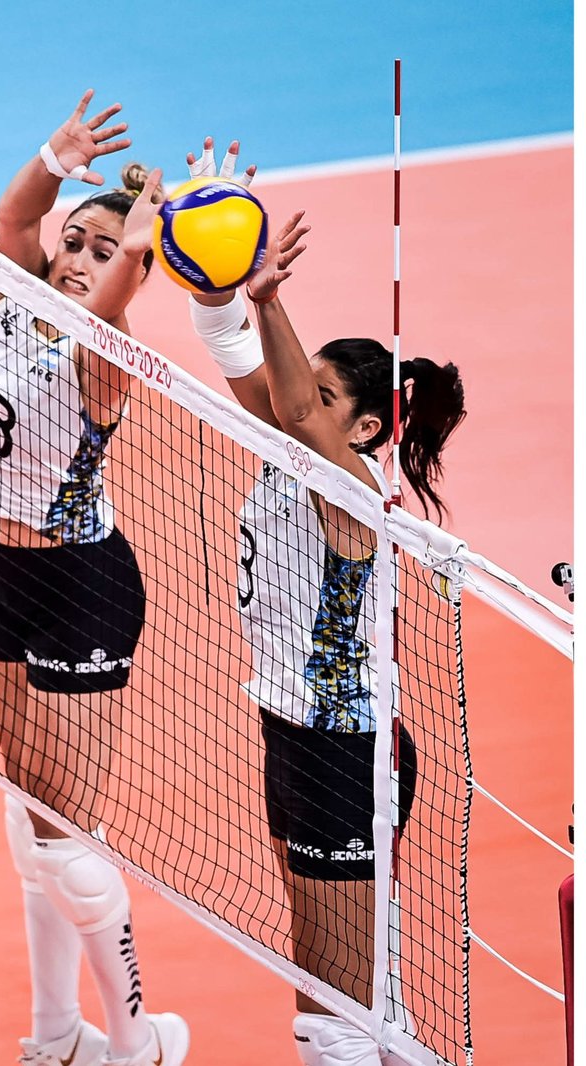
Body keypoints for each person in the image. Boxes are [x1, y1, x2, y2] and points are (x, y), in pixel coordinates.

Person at [0, 91, 187, 1066]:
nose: (74, 258)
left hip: (80, 591)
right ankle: (54, 1032)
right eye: (74, 243)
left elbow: (114, 302)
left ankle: (133, 1042)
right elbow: (14, 221)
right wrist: (54, 157)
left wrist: (144, 224)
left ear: (133, 270)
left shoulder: (105, 355)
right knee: (30, 814)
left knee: (68, 831)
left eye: (100, 252)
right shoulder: (19, 289)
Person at [183, 138, 464, 1065]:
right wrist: (220, 265)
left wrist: (272, 300)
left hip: (349, 751)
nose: (304, 400)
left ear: (368, 425)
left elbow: (298, 411)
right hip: (294, 735)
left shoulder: (349, 485)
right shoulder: (297, 449)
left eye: (329, 393)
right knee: (360, 992)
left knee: (329, 1010)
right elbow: (240, 360)